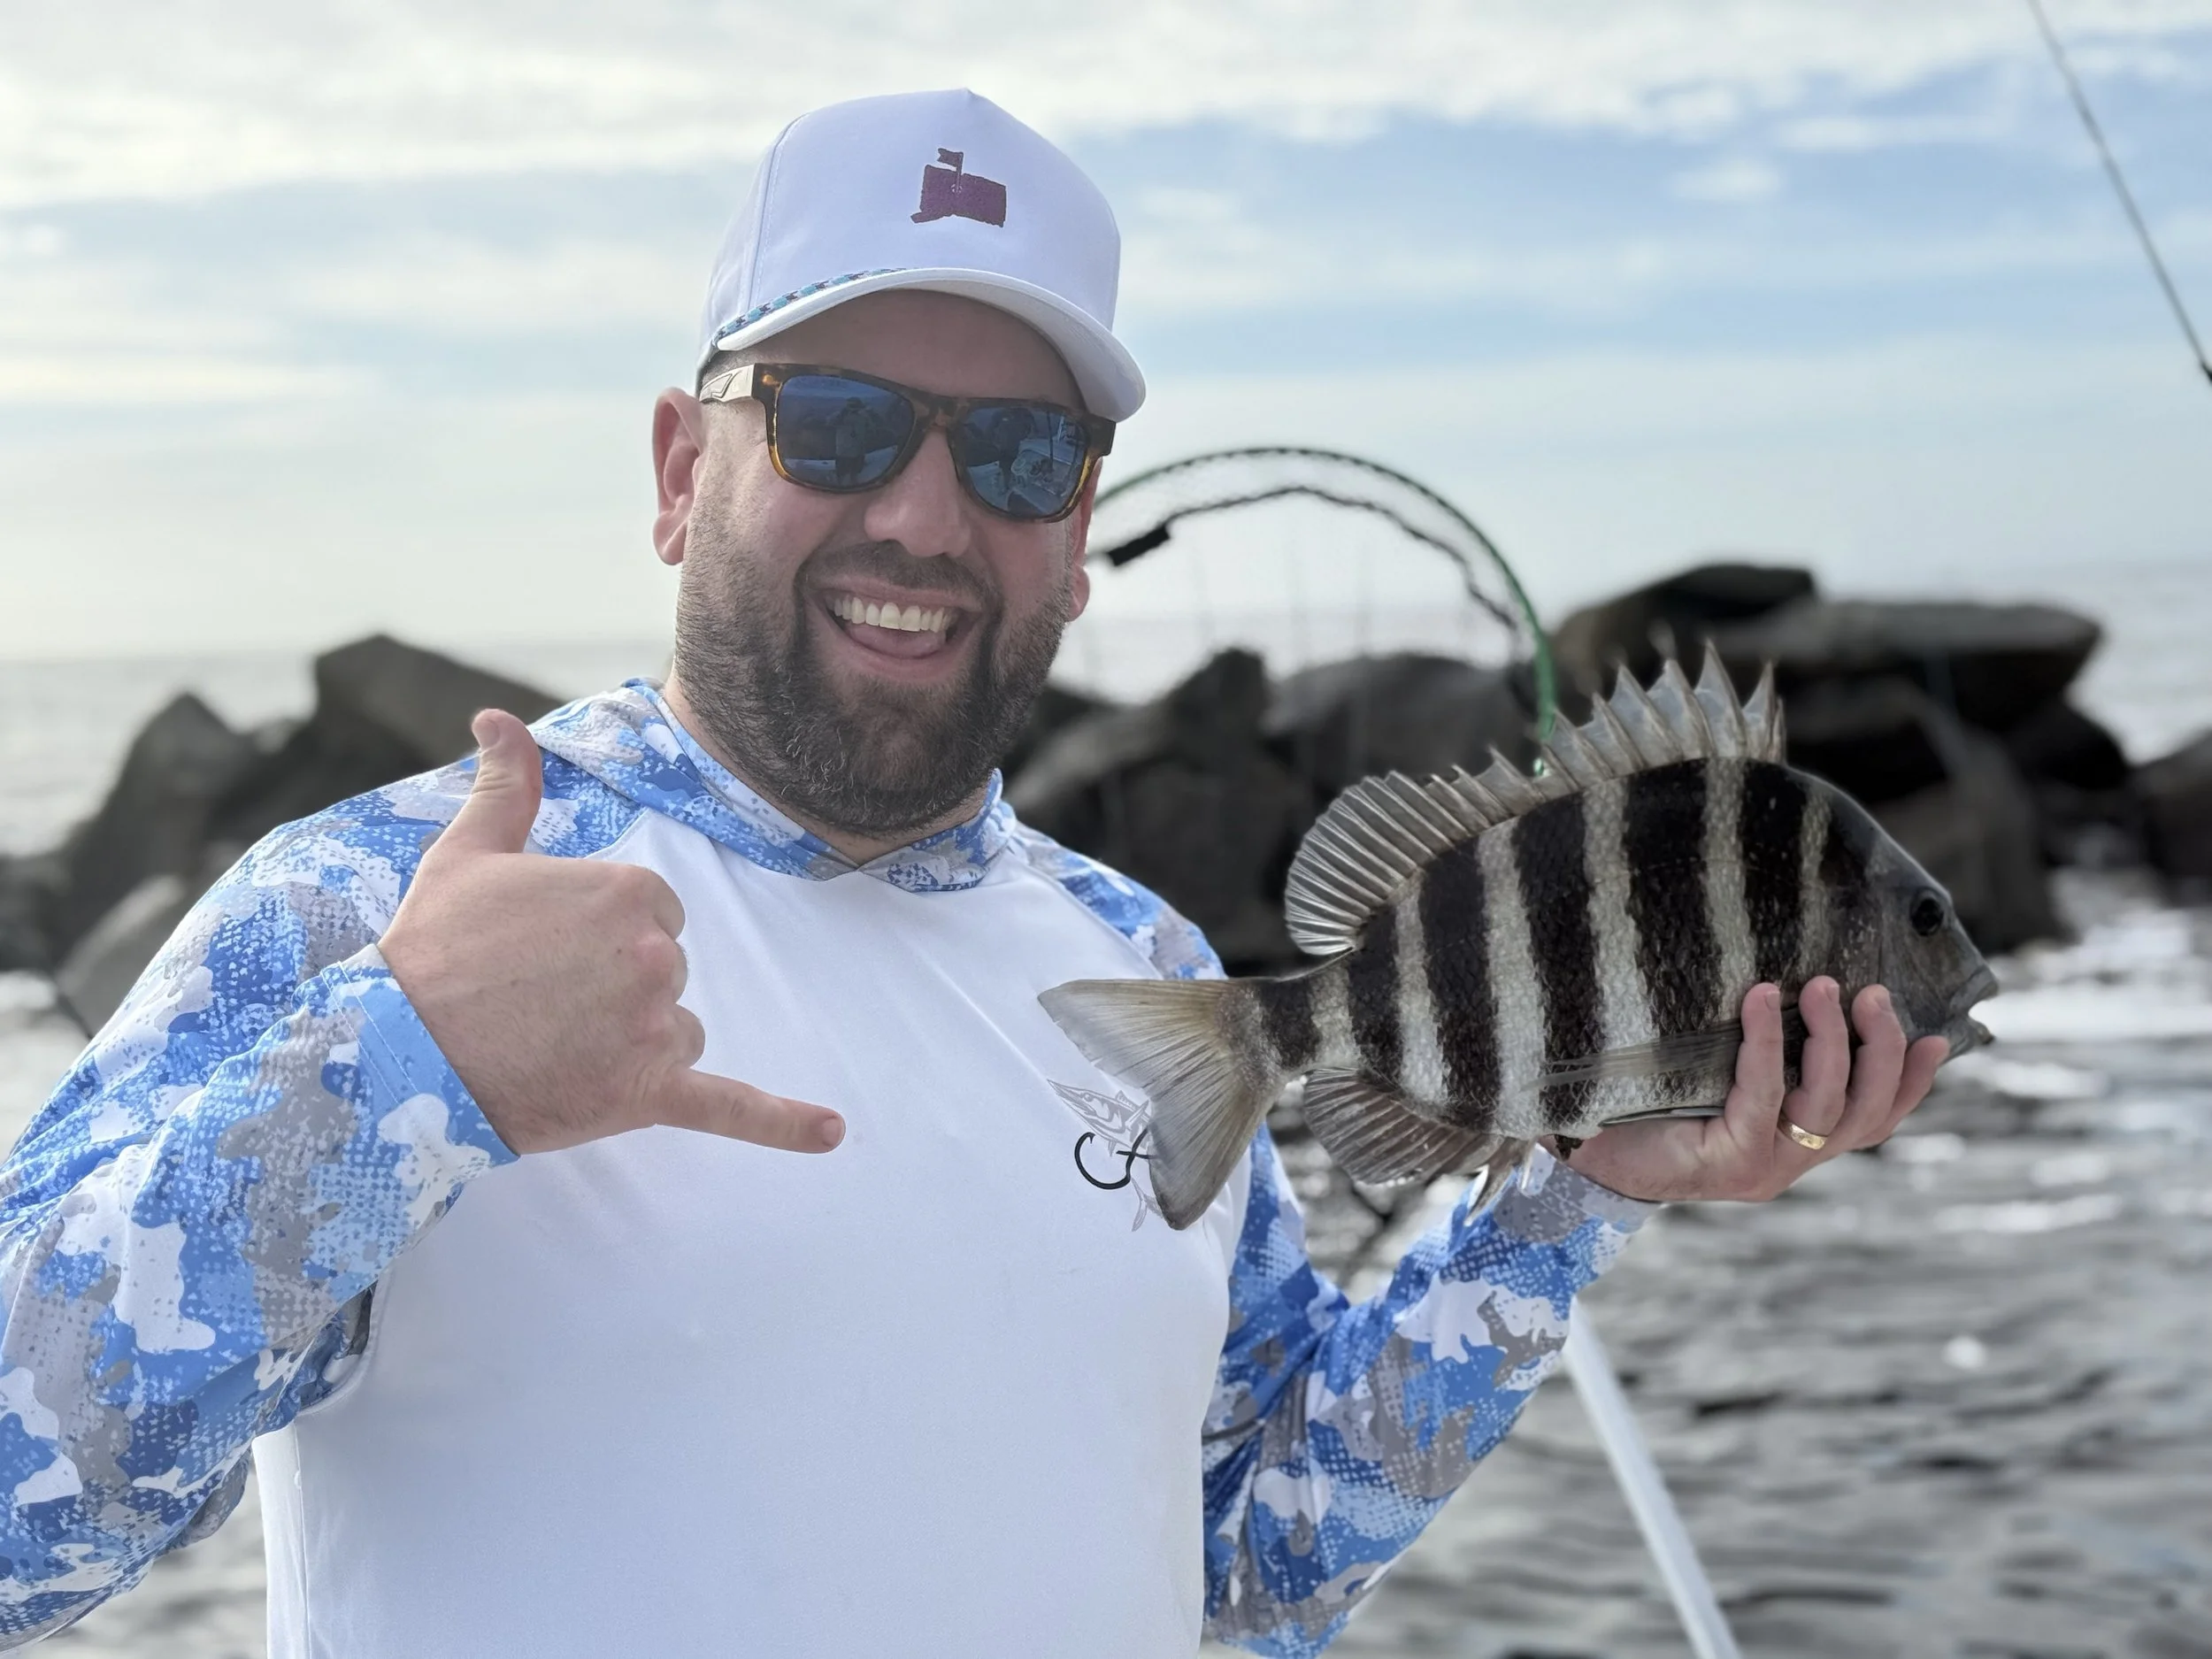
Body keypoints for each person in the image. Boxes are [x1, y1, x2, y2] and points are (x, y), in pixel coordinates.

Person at [0, 89, 1947, 1657]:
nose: (924, 515)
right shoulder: (380, 907)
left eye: (1017, 455)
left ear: (1079, 526)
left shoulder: (1147, 960)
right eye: (839, 424)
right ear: (685, 466)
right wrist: (395, 1078)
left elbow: (1247, 1567)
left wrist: (1568, 1196)